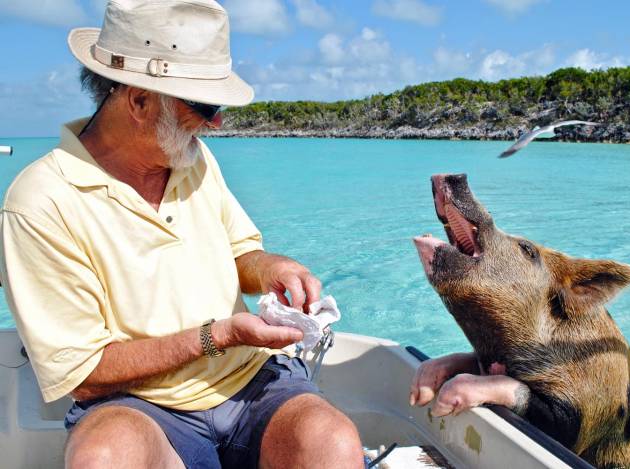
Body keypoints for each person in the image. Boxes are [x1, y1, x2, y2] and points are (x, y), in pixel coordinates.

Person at [0, 1, 363, 468]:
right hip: (137, 404)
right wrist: (219, 335)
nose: (218, 123)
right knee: (104, 457)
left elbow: (241, 255)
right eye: (206, 106)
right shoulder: (39, 202)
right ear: (138, 100)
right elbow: (85, 376)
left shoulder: (191, 158)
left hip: (249, 381)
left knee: (331, 441)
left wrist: (274, 268)